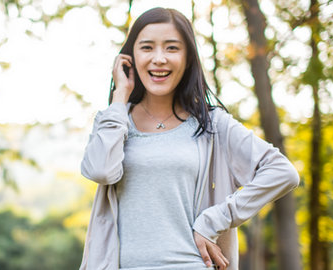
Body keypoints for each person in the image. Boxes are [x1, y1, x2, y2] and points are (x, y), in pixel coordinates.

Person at [79, 7, 299, 270]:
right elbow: (101, 170)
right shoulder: (113, 122)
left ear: (187, 58)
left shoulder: (213, 125)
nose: (159, 58)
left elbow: (282, 172)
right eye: (147, 48)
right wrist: (119, 98)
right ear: (130, 57)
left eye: (172, 48)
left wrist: (215, 220)